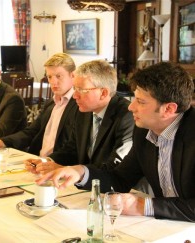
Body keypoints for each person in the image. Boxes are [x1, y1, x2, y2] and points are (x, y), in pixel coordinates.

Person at [37, 62, 195, 222]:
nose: (131, 107)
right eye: (134, 99)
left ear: (168, 109)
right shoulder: (144, 131)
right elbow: (120, 179)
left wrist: (144, 205)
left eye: (140, 102)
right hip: (170, 225)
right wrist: (80, 172)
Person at [26, 60, 134, 174]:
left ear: (103, 93)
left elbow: (114, 166)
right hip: (86, 183)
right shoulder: (84, 110)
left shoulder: (126, 116)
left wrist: (69, 171)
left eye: (81, 90)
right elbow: (72, 149)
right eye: (75, 88)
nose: (75, 95)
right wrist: (47, 162)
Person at [0, 53, 78, 158]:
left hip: (59, 166)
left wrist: (49, 161)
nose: (53, 82)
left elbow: (73, 147)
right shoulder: (50, 103)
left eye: (59, 76)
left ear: (72, 75)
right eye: (49, 77)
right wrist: (1, 142)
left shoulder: (79, 105)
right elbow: (31, 132)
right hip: (37, 160)